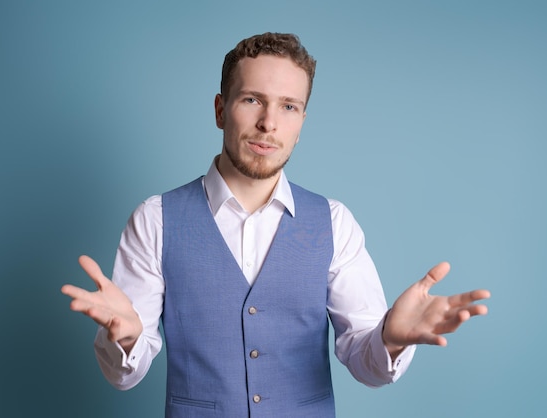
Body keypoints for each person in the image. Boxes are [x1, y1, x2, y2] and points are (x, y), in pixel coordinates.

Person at [62, 32, 491, 417]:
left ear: (302, 123)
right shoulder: (155, 219)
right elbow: (124, 377)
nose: (269, 123)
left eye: (289, 106)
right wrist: (128, 338)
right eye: (252, 100)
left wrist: (392, 339)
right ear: (220, 109)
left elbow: (368, 364)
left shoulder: (333, 223)